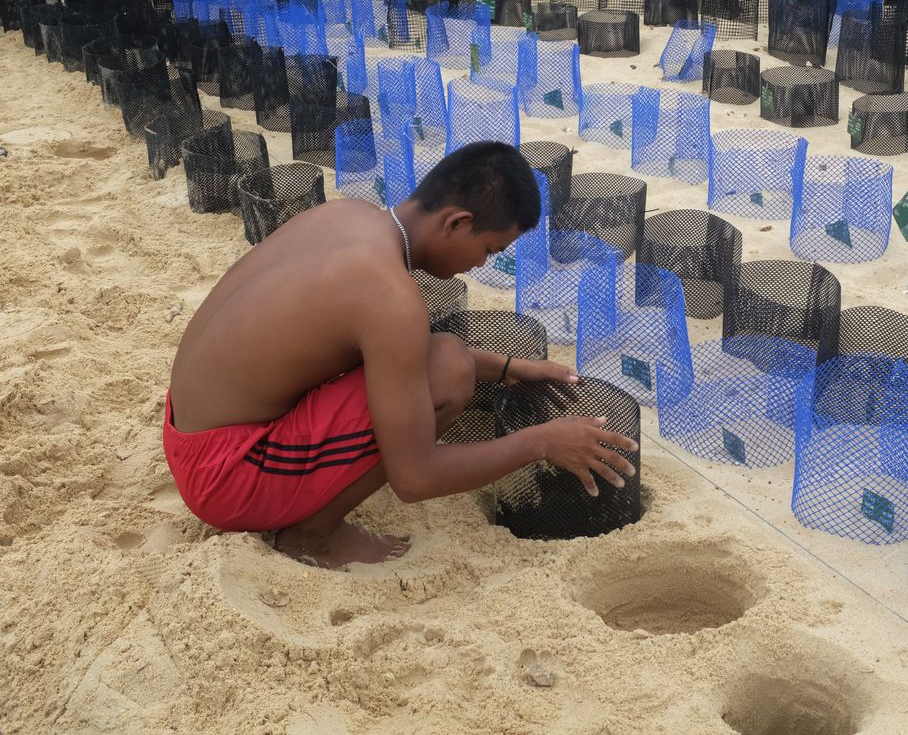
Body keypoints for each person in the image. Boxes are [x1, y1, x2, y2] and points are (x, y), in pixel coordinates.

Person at [164, 142, 637, 568]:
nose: (481, 264)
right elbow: (414, 477)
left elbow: (376, 346)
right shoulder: (391, 296)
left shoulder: (348, 216)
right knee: (448, 369)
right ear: (457, 222)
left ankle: (305, 511)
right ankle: (312, 535)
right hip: (225, 476)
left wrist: (506, 368)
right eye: (489, 249)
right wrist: (541, 441)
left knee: (448, 357)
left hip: (187, 431)